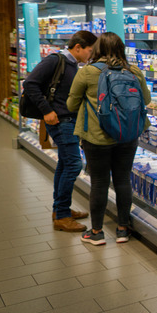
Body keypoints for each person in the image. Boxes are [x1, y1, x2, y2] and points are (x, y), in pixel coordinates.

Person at [67, 32, 151, 245]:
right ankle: (123, 229)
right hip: (127, 135)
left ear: (97, 50)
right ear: (122, 49)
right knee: (123, 179)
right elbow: (146, 100)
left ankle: (96, 233)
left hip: (97, 137)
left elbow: (71, 104)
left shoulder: (87, 72)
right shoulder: (134, 71)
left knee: (99, 182)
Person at [23, 30, 97, 232]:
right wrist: (47, 111)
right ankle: (62, 216)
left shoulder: (74, 64)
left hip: (68, 120)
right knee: (74, 165)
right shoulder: (56, 60)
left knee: (65, 164)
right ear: (78, 47)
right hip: (60, 121)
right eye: (90, 50)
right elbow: (30, 83)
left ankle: (60, 209)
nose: (91, 54)